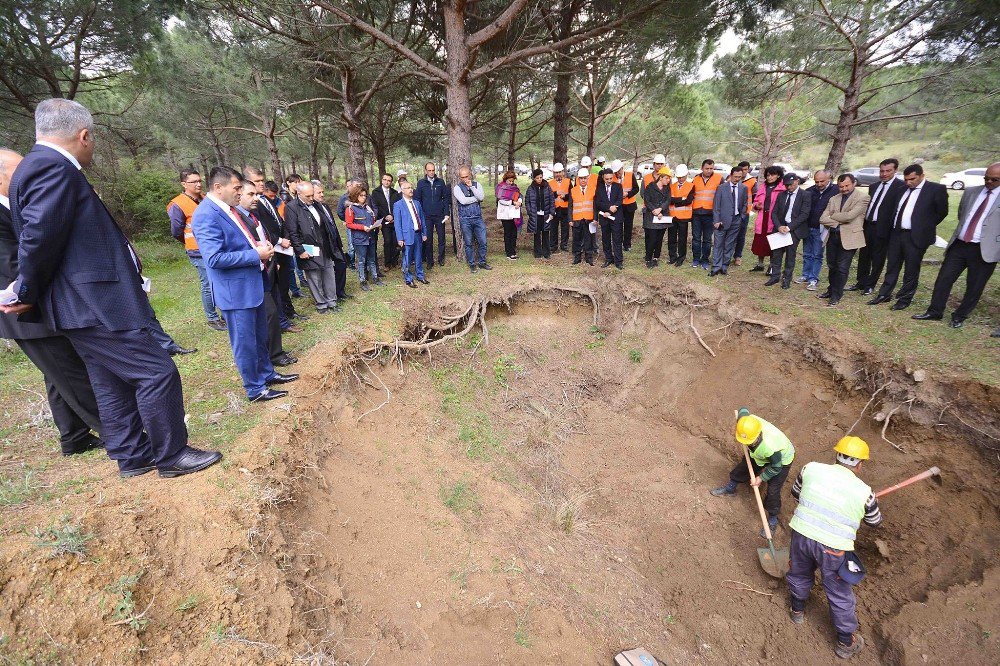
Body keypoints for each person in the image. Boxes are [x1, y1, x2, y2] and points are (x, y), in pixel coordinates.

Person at [4, 98, 219, 478]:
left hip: (83, 302)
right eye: (94, 139)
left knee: (109, 379)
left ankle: (132, 456)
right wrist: (26, 291)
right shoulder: (51, 168)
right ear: (84, 135)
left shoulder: (36, 166)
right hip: (92, 301)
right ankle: (171, 454)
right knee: (157, 371)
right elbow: (39, 237)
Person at [0, 147, 103, 456]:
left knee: (57, 374)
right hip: (25, 312)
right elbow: (12, 268)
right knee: (73, 373)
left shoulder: (14, 206)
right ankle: (120, 432)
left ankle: (74, 437)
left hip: (38, 304)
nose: (26, 177)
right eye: (18, 172)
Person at [192, 167, 298, 403]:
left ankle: (267, 374)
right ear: (219, 187)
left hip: (252, 284)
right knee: (245, 342)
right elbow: (214, 259)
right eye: (237, 188)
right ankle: (255, 388)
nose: (240, 193)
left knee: (260, 336)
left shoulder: (229, 210)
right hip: (235, 292)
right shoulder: (206, 215)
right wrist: (255, 255)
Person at [786, 436, 882, 660]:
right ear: (859, 464)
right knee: (838, 592)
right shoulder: (865, 492)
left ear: (836, 457)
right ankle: (845, 642)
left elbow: (796, 493)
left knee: (799, 572)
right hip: (833, 548)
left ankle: (797, 610)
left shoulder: (810, 468)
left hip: (801, 534)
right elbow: (875, 521)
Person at [913, 161, 1000, 328]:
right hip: (960, 245)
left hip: (984, 249)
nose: (989, 182)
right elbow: (962, 215)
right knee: (944, 279)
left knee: (974, 286)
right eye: (986, 178)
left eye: (994, 180)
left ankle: (959, 316)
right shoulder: (971, 192)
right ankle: (935, 311)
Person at [868, 164, 949, 311]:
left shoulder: (936, 189)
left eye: (912, 179)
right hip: (896, 233)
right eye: (906, 179)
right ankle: (884, 294)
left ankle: (904, 299)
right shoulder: (902, 189)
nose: (908, 182)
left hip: (916, 236)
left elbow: (941, 212)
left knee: (911, 269)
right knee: (892, 266)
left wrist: (923, 226)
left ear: (922, 175)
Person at [235, 181, 297, 368]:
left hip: (268, 267)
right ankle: (274, 355)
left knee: (272, 311)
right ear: (238, 194)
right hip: (252, 273)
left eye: (256, 194)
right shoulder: (238, 218)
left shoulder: (253, 215)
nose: (256, 198)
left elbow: (264, 237)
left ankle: (273, 352)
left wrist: (272, 260)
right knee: (269, 314)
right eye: (250, 194)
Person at [710, 409, 795, 537]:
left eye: (749, 442)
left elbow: (776, 467)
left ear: (757, 436)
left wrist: (761, 478)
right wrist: (741, 420)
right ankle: (730, 488)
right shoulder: (747, 424)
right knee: (744, 466)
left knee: (773, 490)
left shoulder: (769, 446)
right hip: (760, 453)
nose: (746, 444)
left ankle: (772, 519)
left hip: (781, 460)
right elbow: (743, 410)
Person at [244, 167, 303, 337]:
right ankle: (281, 321)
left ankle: (287, 314)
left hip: (282, 248)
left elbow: (278, 220)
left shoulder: (266, 199)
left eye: (262, 180)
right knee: (274, 287)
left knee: (283, 283)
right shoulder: (251, 205)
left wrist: (285, 237)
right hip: (270, 251)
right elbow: (262, 230)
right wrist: (278, 241)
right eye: (257, 181)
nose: (261, 184)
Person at [168, 169, 224, 331]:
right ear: (184, 184)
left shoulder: (205, 198)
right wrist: (189, 242)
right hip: (197, 251)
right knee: (208, 284)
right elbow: (176, 231)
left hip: (214, 247)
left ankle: (224, 314)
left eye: (200, 180)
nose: (198, 184)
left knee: (218, 281)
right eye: (194, 182)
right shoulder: (177, 204)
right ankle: (212, 318)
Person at [283, 181, 340, 314]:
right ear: (299, 194)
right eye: (307, 196)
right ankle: (321, 304)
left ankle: (332, 302)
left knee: (329, 273)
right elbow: (292, 231)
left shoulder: (316, 204)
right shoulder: (291, 207)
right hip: (308, 248)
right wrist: (300, 250)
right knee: (314, 277)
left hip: (325, 245)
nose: (311, 198)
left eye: (311, 195)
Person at [851, 159, 906, 295]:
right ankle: (861, 282)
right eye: (882, 171)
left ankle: (870, 284)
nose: (884, 174)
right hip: (868, 225)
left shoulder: (901, 187)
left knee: (878, 258)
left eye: (888, 171)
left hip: (883, 228)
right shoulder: (874, 186)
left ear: (895, 171)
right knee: (864, 256)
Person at [820, 174, 869, 307]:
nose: (844, 189)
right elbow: (822, 218)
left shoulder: (863, 197)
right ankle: (831, 290)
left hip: (850, 238)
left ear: (853, 183)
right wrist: (836, 222)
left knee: (842, 268)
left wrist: (833, 216)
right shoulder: (834, 198)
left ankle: (836, 295)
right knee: (832, 266)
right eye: (841, 186)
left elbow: (850, 216)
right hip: (833, 236)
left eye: (847, 185)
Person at [766, 173, 811, 289]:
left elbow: (804, 214)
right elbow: (774, 212)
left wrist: (789, 227)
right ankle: (775, 276)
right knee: (776, 254)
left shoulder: (805, 195)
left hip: (793, 230)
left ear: (797, 181)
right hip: (780, 228)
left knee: (790, 256)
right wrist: (779, 226)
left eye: (790, 185)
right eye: (786, 185)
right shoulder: (782, 195)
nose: (789, 187)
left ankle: (786, 279)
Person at [312, 183, 350, 303]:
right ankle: (329, 295)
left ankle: (340, 291)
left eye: (323, 192)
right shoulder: (313, 209)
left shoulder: (325, 206)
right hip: (324, 245)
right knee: (328, 270)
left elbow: (332, 225)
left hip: (334, 242)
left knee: (341, 264)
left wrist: (338, 241)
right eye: (319, 192)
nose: (322, 195)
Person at [799, 171, 837, 291]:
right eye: (817, 181)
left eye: (822, 181)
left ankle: (813, 279)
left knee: (817, 255)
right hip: (808, 226)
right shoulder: (810, 191)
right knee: (807, 253)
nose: (819, 184)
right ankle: (805, 275)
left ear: (828, 178)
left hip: (822, 228)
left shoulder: (835, 191)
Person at [710, 167, 749, 277]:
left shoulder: (743, 188)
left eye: (739, 177)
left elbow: (745, 203)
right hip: (722, 221)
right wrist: (716, 220)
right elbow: (716, 205)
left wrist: (741, 217)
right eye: (735, 177)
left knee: (729, 245)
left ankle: (724, 267)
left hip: (736, 221)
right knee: (718, 244)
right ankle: (716, 267)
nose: (737, 179)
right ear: (731, 175)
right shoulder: (721, 188)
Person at [344, 186, 383, 290]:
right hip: (359, 239)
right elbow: (349, 224)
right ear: (355, 195)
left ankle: (375, 278)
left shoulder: (367, 207)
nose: (363, 197)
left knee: (372, 259)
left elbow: (371, 220)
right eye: (361, 195)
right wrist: (362, 227)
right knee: (361, 260)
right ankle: (363, 281)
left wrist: (376, 224)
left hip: (370, 237)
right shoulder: (350, 208)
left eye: (365, 195)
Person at [392, 180, 430, 287]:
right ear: (402, 191)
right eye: (408, 188)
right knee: (407, 257)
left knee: (418, 256)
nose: (411, 190)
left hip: (418, 234)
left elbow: (421, 218)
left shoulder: (417, 203)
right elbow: (397, 223)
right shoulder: (398, 205)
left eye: (411, 187)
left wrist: (424, 233)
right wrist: (400, 238)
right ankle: (408, 278)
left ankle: (420, 275)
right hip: (407, 235)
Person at [454, 167, 492, 273]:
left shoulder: (477, 184)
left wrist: (472, 188)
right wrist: (476, 199)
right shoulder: (457, 188)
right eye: (462, 177)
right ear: (459, 177)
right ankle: (472, 264)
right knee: (468, 243)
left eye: (466, 176)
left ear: (470, 175)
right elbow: (463, 201)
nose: (465, 179)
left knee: (483, 241)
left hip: (477, 218)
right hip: (465, 219)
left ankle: (482, 262)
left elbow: (481, 197)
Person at [414, 162, 451, 268]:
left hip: (439, 215)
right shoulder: (421, 183)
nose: (431, 172)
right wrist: (420, 215)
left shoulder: (440, 182)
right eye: (429, 170)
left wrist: (446, 213)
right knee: (428, 239)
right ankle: (429, 261)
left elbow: (445, 198)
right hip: (427, 216)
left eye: (433, 170)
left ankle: (441, 259)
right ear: (425, 171)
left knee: (441, 238)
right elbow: (418, 200)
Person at [750, 165, 786, 274]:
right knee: (760, 241)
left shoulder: (782, 188)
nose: (770, 177)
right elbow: (755, 202)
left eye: (772, 175)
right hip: (762, 218)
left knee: (772, 242)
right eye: (768, 175)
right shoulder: (762, 187)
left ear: (778, 175)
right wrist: (757, 206)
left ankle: (771, 266)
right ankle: (760, 264)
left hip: (774, 219)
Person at [690, 159, 722, 269]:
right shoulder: (696, 179)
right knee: (696, 238)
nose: (709, 170)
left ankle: (705, 260)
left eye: (711, 168)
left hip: (710, 214)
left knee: (707, 239)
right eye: (706, 168)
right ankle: (696, 259)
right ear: (702, 168)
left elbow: (722, 196)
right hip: (696, 213)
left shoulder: (719, 179)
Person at [641, 167, 672, 269]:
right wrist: (655, 210)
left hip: (662, 216)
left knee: (659, 239)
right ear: (661, 177)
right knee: (652, 239)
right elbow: (647, 200)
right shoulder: (650, 187)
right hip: (651, 216)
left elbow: (668, 201)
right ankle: (648, 258)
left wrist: (660, 209)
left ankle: (656, 258)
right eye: (667, 178)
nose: (668, 180)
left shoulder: (667, 188)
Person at [370, 174, 401, 270]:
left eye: (389, 180)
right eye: (385, 179)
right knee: (387, 241)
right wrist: (385, 216)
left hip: (395, 220)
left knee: (396, 241)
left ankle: (395, 261)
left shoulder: (395, 192)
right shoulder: (376, 192)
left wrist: (393, 216)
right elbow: (376, 207)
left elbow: (397, 206)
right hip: (384, 220)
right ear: (382, 180)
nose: (386, 182)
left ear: (391, 182)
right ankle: (387, 263)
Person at [595, 168, 625, 269]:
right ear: (603, 178)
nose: (609, 180)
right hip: (604, 218)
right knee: (606, 239)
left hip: (616, 218)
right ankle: (608, 259)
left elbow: (619, 200)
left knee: (617, 239)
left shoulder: (618, 186)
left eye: (611, 178)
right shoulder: (599, 188)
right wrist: (608, 209)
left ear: (613, 176)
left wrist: (611, 211)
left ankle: (618, 261)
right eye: (607, 179)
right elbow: (598, 202)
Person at [568, 166, 596, 266]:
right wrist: (570, 219)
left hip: (589, 219)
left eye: (585, 178)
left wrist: (595, 218)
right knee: (576, 239)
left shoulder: (593, 190)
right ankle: (577, 257)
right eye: (581, 178)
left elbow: (595, 206)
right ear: (578, 179)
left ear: (588, 178)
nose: (583, 180)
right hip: (576, 219)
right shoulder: (573, 190)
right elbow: (570, 206)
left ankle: (589, 257)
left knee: (589, 238)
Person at [667, 164, 694, 266]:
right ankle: (672, 257)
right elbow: (669, 199)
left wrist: (676, 201)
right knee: (671, 238)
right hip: (672, 216)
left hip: (684, 217)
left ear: (686, 175)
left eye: (682, 177)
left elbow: (688, 201)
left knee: (682, 239)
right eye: (679, 177)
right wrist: (681, 199)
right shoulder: (672, 186)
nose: (680, 179)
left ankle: (681, 258)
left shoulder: (691, 186)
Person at [525, 168, 555, 259]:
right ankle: (537, 252)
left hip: (545, 215)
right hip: (536, 215)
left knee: (546, 233)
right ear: (534, 178)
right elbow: (527, 201)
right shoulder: (530, 188)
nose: (539, 179)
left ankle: (546, 252)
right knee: (537, 233)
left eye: (541, 177)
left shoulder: (547, 186)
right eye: (537, 178)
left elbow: (551, 200)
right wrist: (530, 212)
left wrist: (551, 212)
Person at [612, 160, 640, 252]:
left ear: (622, 168)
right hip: (618, 206)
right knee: (618, 225)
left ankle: (627, 244)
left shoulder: (630, 175)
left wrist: (627, 194)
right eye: (615, 172)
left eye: (618, 171)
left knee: (628, 226)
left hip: (629, 205)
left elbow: (636, 189)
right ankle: (618, 243)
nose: (617, 173)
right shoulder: (612, 178)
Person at [733, 160, 757, 267]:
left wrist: (751, 208)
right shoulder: (732, 178)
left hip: (744, 213)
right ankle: (727, 254)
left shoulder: (752, 181)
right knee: (729, 234)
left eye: (746, 169)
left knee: (741, 235)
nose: (743, 172)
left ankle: (738, 256)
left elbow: (756, 196)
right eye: (742, 169)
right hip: (731, 212)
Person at [496, 170, 523, 260]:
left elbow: (520, 196)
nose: (511, 183)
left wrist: (519, 202)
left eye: (512, 181)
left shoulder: (515, 188)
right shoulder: (500, 187)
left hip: (514, 213)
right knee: (508, 233)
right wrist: (512, 202)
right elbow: (501, 200)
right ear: (505, 179)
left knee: (514, 233)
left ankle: (513, 251)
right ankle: (509, 252)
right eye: (509, 181)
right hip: (505, 214)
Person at [337, 178, 361, 270]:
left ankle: (361, 262)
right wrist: (346, 220)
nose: (357, 187)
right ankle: (351, 262)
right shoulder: (344, 197)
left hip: (361, 224)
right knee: (352, 244)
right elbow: (339, 211)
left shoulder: (361, 195)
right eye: (356, 185)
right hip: (351, 225)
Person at [549, 163, 571, 253]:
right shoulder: (549, 183)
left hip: (565, 208)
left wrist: (565, 196)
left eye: (559, 172)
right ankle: (553, 246)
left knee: (565, 228)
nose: (558, 174)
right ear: (554, 173)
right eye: (556, 172)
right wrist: (555, 193)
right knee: (553, 228)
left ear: (563, 172)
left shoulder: (568, 181)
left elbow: (572, 195)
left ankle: (564, 245)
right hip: (554, 208)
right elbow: (547, 196)